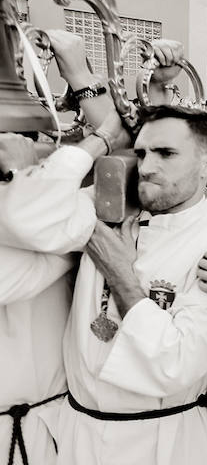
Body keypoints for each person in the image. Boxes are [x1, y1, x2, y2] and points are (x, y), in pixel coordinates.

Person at [43, 105, 207, 464]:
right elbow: (29, 216)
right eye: (141, 152)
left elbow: (175, 363)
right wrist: (102, 139)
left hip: (165, 442)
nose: (146, 167)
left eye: (166, 154)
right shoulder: (108, 212)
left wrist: (120, 273)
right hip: (78, 437)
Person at [0, 29, 132, 465]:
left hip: (52, 426)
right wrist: (101, 140)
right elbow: (33, 220)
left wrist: (80, 72)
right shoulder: (45, 215)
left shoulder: (55, 213)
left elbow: (124, 170)